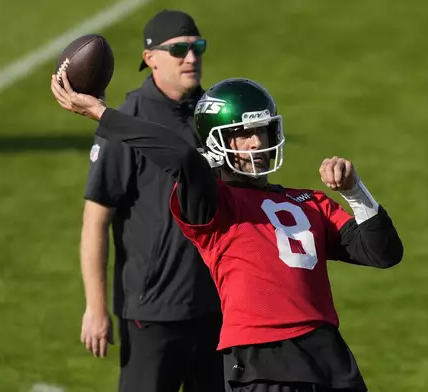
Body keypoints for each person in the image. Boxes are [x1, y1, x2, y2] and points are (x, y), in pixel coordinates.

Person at [52, 74, 404, 392]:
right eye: (242, 134)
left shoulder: (309, 201)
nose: (255, 143)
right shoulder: (216, 205)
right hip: (263, 363)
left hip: (331, 360)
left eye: (261, 130)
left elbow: (383, 253)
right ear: (217, 143)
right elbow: (184, 160)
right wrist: (104, 114)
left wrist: (355, 191)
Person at [78, 9, 224, 392]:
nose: (191, 58)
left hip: (218, 306)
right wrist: (96, 307)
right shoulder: (127, 123)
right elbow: (96, 219)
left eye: (197, 48)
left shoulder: (213, 116)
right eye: (178, 50)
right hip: (153, 313)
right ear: (150, 59)